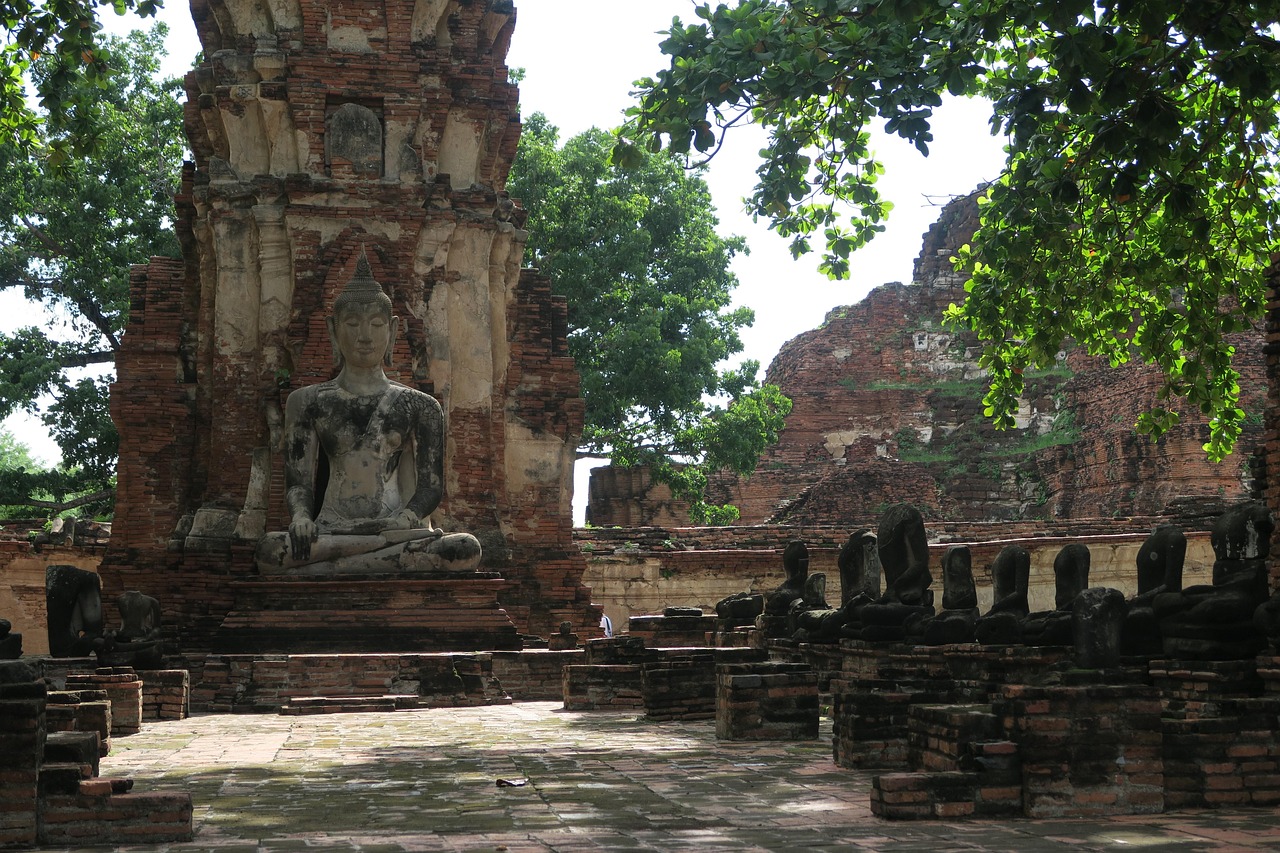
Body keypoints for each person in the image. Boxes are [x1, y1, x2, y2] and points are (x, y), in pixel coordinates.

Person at [255, 253, 481, 575]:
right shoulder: (306, 402)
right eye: (352, 324)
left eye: (376, 325)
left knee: (463, 548)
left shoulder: (421, 406)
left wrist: (407, 517)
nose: (364, 336)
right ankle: (374, 560)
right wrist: (302, 518)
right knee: (270, 550)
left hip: (395, 528)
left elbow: (430, 489)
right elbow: (298, 485)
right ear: (333, 330)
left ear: (391, 330)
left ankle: (333, 567)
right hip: (332, 529)